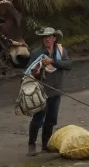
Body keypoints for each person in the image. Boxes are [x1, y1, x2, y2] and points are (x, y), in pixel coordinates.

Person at [27, 26, 72, 155]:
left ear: (54, 38)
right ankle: (31, 144)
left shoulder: (61, 51)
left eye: (49, 36)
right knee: (37, 120)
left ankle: (45, 145)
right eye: (44, 37)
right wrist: (37, 69)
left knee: (51, 120)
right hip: (41, 91)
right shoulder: (36, 53)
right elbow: (29, 70)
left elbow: (68, 65)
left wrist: (52, 61)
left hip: (56, 91)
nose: (47, 39)